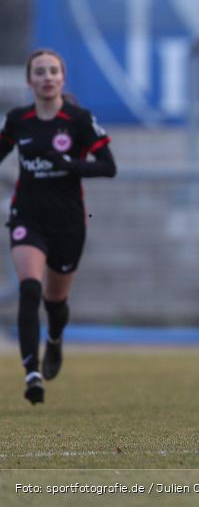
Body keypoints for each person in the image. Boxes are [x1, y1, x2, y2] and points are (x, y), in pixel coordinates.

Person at [0, 49, 117, 404]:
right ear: (30, 80)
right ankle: (31, 372)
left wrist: (68, 163)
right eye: (40, 71)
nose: (47, 77)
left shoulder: (79, 119)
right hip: (27, 216)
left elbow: (108, 167)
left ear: (62, 78)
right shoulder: (18, 120)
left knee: (55, 301)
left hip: (67, 221)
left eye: (53, 71)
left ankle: (54, 339)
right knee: (30, 289)